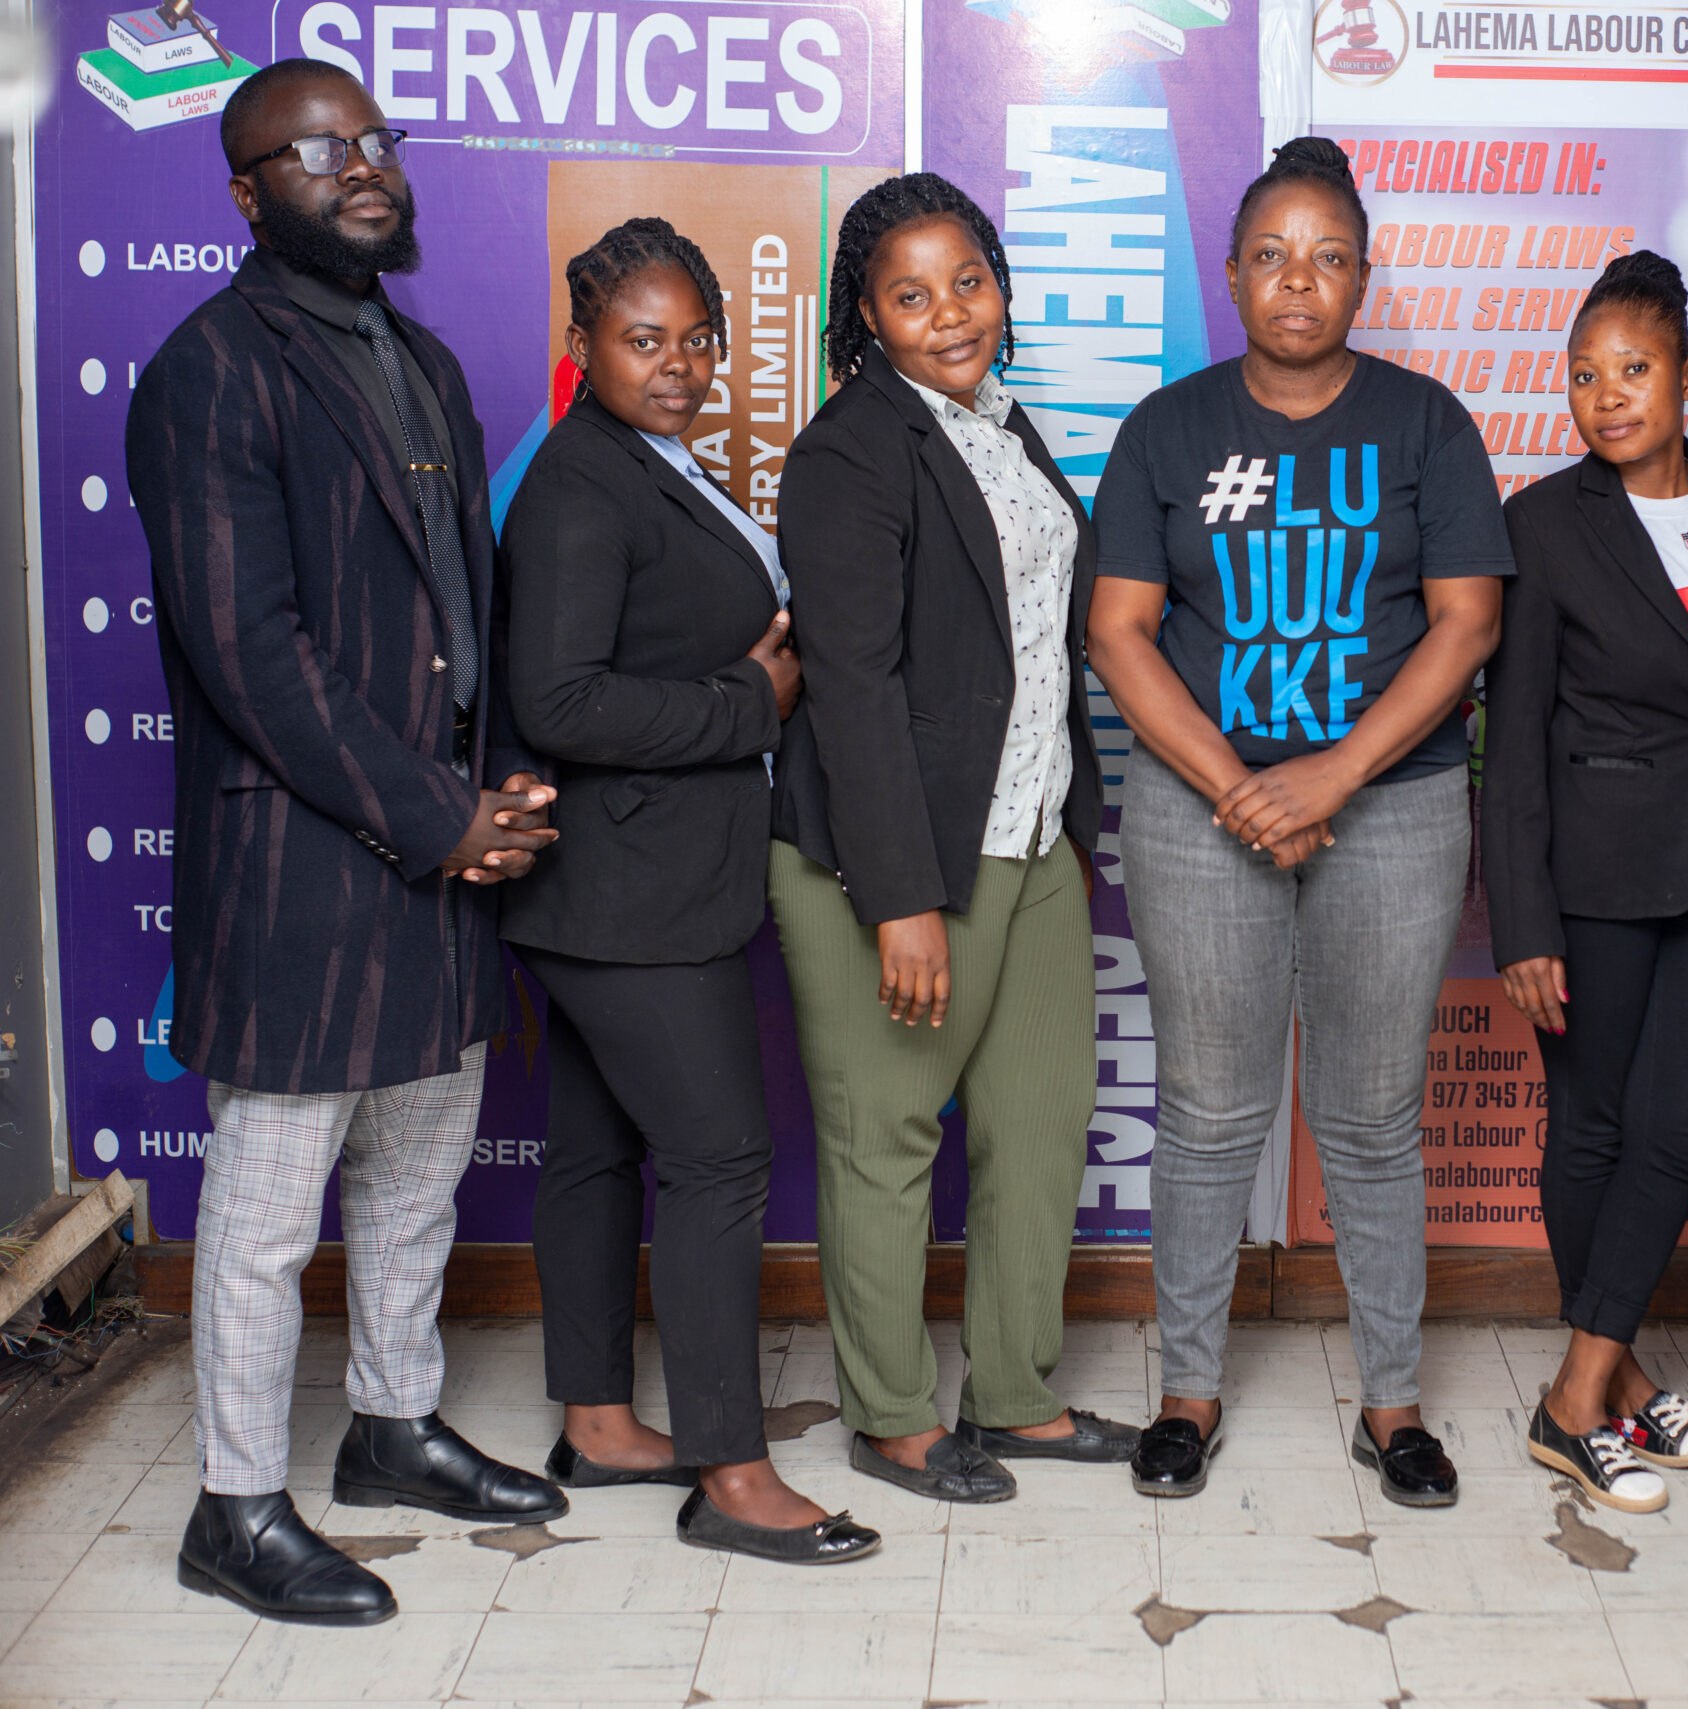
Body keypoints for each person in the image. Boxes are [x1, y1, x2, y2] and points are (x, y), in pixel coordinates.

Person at [127, 58, 568, 1625]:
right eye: (316, 151)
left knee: (417, 1173)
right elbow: (253, 656)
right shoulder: (209, 371)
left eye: (373, 138)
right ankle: (237, 1506)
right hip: (305, 865)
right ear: (246, 195)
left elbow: (473, 607)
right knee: (265, 1214)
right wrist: (443, 817)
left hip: (444, 855)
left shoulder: (422, 361)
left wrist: (500, 790)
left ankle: (391, 1425)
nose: (360, 165)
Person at [1088, 137, 1509, 1507]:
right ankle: (1187, 1392)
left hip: (1392, 807)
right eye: (1271, 255)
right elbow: (1119, 630)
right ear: (1230, 274)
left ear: (1362, 280)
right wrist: (1238, 788)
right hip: (1196, 810)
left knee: (1374, 1118)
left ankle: (1393, 1404)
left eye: (1328, 257)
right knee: (1210, 1113)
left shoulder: (1425, 423)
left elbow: (1467, 622)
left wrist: (1330, 777)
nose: (1297, 280)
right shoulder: (1167, 428)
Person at [497, 219, 876, 1565]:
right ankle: (731, 1473)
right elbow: (557, 701)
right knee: (719, 1160)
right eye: (642, 339)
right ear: (582, 345)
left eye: (697, 339)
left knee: (598, 1147)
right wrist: (745, 703)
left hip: (623, 882)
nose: (677, 364)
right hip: (633, 894)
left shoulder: (643, 463)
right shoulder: (580, 489)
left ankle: (599, 1423)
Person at [769, 174, 1135, 1505]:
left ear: (1000, 282)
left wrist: (1062, 822)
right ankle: (890, 1416)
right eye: (911, 295)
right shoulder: (849, 451)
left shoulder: (1000, 426)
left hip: (1030, 839)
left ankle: (1018, 1395)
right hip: (896, 857)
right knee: (888, 1135)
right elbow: (852, 685)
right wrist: (899, 897)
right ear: (865, 317)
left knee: (1039, 1127)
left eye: (968, 281)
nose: (950, 314)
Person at [1481, 251, 1688, 1512]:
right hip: (1591, 877)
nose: (1605, 395)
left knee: (1676, 1128)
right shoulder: (1544, 524)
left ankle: (1587, 1387)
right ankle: (1599, 1391)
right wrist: (1522, 920)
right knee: (1595, 1127)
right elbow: (1513, 738)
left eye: (1634, 370)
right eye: (1583, 375)